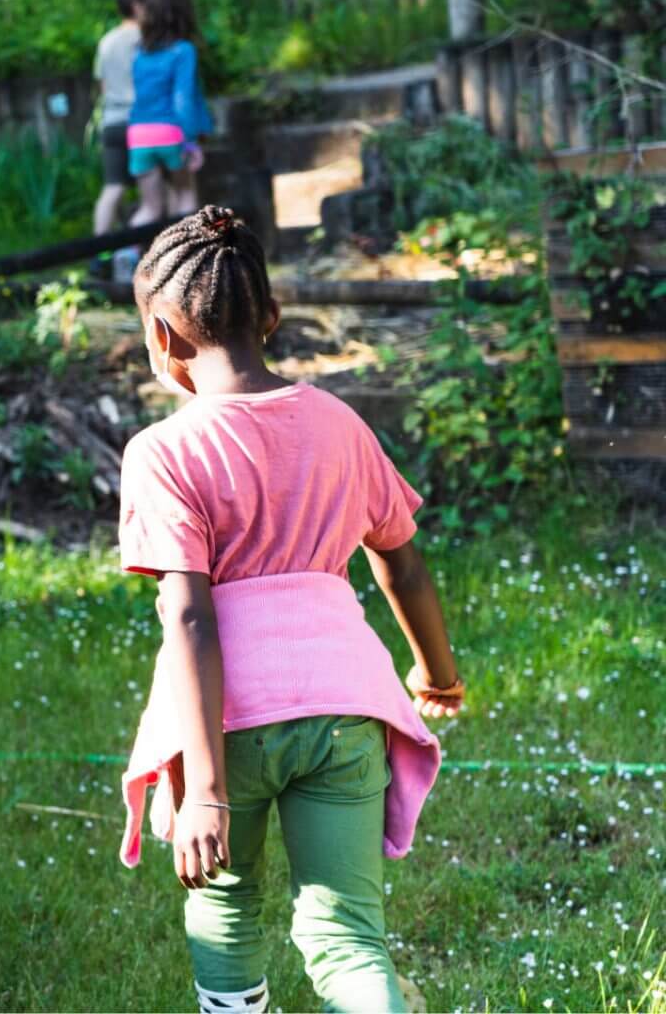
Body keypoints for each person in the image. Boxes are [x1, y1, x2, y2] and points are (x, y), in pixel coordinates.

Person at [115, 208, 466, 1013]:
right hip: (346, 710)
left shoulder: (164, 453)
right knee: (347, 936)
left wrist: (202, 789)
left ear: (163, 338)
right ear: (271, 318)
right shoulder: (341, 426)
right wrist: (435, 672)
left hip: (229, 725)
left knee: (227, 911)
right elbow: (400, 557)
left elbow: (191, 619)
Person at [126, 0, 213, 231]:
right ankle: (189, 258)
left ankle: (125, 255)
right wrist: (189, 141)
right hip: (170, 131)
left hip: (139, 133)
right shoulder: (183, 51)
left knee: (150, 208)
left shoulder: (139, 53)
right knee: (185, 196)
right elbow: (182, 99)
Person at [92, 0, 152, 236]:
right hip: (143, 123)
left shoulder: (107, 41)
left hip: (112, 121)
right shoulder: (148, 38)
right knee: (156, 196)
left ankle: (99, 255)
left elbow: (103, 86)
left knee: (112, 189)